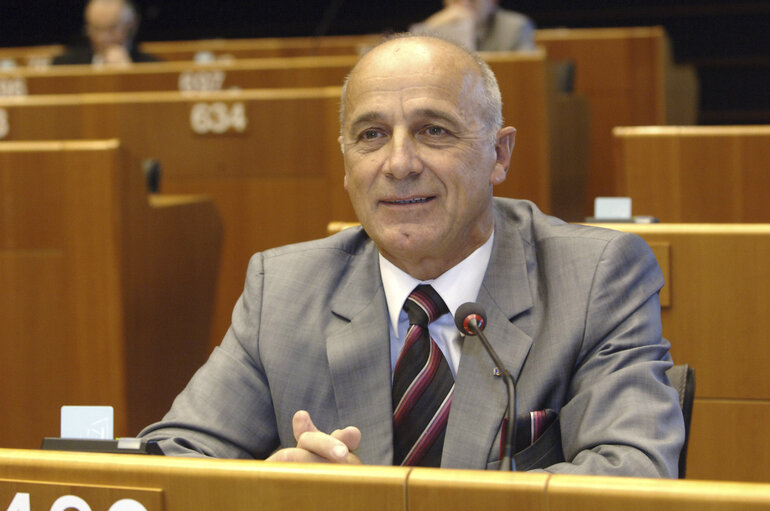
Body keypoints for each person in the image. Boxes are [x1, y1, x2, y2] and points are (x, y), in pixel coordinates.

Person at [140, 34, 684, 476]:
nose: (399, 163)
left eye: (433, 131)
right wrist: (269, 489)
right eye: (372, 135)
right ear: (347, 162)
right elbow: (172, 456)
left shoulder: (595, 278)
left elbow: (632, 470)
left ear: (499, 154)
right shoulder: (283, 288)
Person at [52, 0, 159, 65]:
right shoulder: (65, 65)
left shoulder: (153, 67)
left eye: (111, 29)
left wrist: (128, 74)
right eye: (96, 29)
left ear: (131, 27)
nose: (103, 38)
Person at [410, 0, 536, 51]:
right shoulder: (430, 28)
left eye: (472, 1)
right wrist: (430, 27)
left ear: (493, 2)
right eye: (457, 1)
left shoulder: (516, 27)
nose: (464, 4)